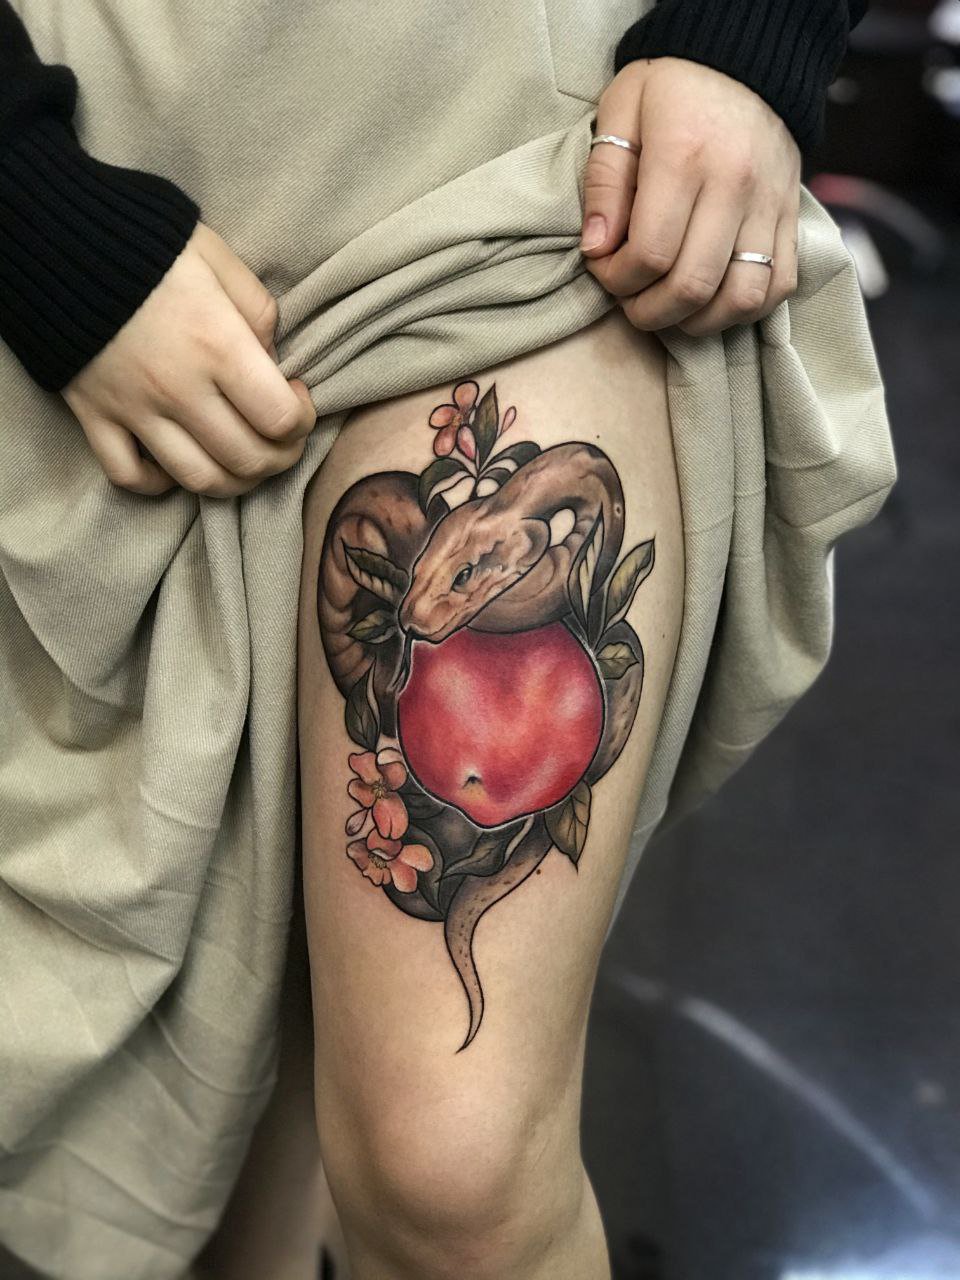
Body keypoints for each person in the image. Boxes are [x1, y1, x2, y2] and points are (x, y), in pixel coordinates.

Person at [0, 5, 890, 1280]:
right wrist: (22, 190)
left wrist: (759, 27)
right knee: (245, 1084)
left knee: (449, 1175)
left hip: (521, 174)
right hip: (110, 168)